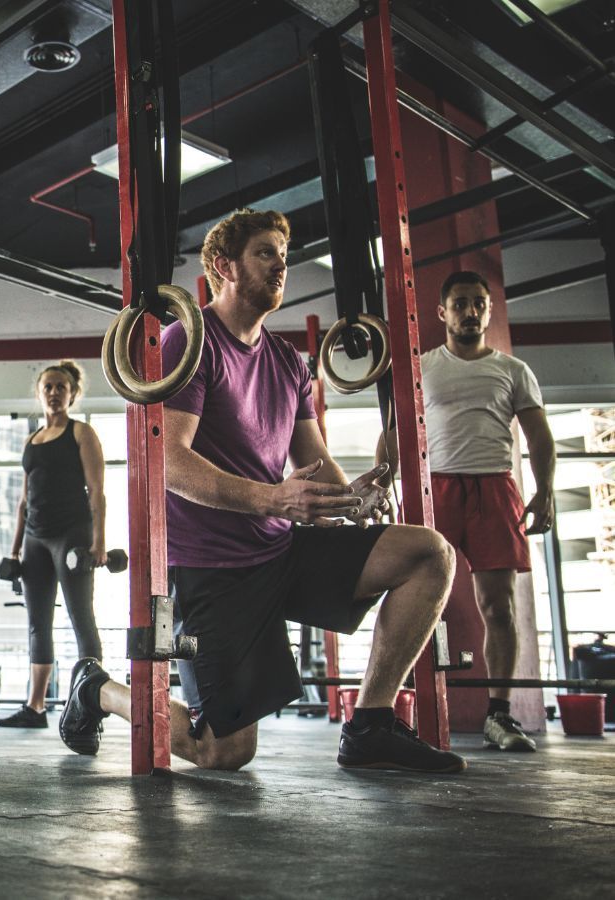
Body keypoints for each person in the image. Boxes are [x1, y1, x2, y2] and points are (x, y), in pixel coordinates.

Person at [58, 208, 466, 773]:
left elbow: (314, 466)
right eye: (265, 253)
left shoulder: (286, 360)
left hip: (280, 550)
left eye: (284, 255)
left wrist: (353, 502)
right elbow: (167, 463)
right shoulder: (187, 343)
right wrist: (272, 499)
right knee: (223, 751)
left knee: (427, 553)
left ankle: (371, 723)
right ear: (224, 265)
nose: (280, 266)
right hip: (214, 567)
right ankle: (97, 688)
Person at [376, 271, 554, 752]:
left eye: (479, 303)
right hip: (436, 490)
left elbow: (538, 435)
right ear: (442, 312)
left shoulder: (513, 370)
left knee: (499, 607)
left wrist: (546, 490)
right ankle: (398, 710)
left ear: (489, 310)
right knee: (413, 600)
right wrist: (382, 482)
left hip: (495, 488)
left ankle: (500, 716)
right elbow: (395, 434)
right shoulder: (421, 367)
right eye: (461, 303)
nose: (470, 311)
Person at [0, 360, 108, 729]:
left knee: (81, 617)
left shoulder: (82, 433)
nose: (54, 392)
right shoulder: (32, 440)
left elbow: (97, 493)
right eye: (48, 386)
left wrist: (100, 543)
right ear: (39, 392)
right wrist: (13, 551)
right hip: (34, 538)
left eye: (62, 386)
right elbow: (23, 501)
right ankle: (36, 707)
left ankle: (90, 707)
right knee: (37, 624)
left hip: (71, 534)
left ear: (73, 393)